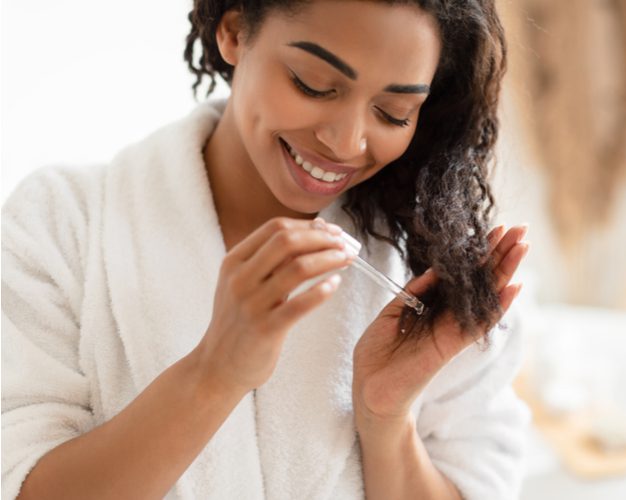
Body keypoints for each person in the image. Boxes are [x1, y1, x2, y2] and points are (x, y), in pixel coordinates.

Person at [1, 0, 531, 498]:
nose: (347, 142)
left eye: (393, 112)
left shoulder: (432, 269)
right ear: (233, 33)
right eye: (313, 84)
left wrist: (386, 417)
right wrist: (214, 372)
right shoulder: (63, 222)